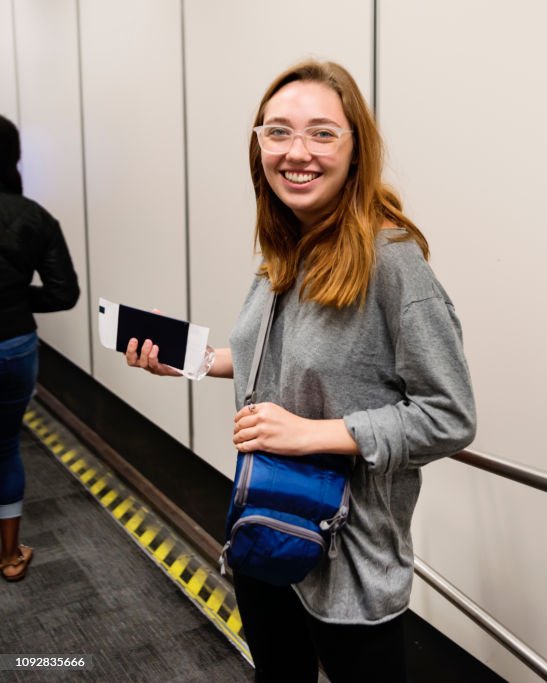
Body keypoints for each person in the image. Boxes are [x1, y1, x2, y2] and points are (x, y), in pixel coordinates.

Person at [125, 61, 476, 682]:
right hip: (266, 528)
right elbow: (274, 358)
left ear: (356, 147)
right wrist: (192, 360)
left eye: (322, 133)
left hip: (348, 560)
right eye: (278, 132)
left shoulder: (392, 263)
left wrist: (311, 433)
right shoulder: (286, 247)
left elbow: (448, 416)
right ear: (258, 145)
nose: (297, 152)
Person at [0, 115, 80, 582]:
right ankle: (10, 556)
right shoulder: (36, 217)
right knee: (5, 446)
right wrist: (12, 298)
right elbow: (63, 292)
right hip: (13, 345)